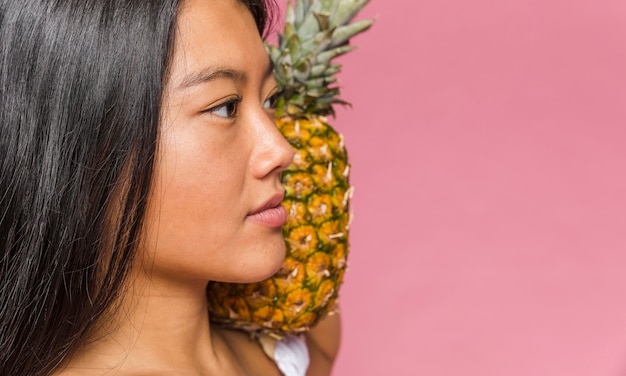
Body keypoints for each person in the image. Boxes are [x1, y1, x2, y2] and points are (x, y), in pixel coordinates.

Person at [0, 0, 341, 375]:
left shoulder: (291, 352)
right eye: (226, 107)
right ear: (87, 147)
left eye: (271, 99)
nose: (281, 149)